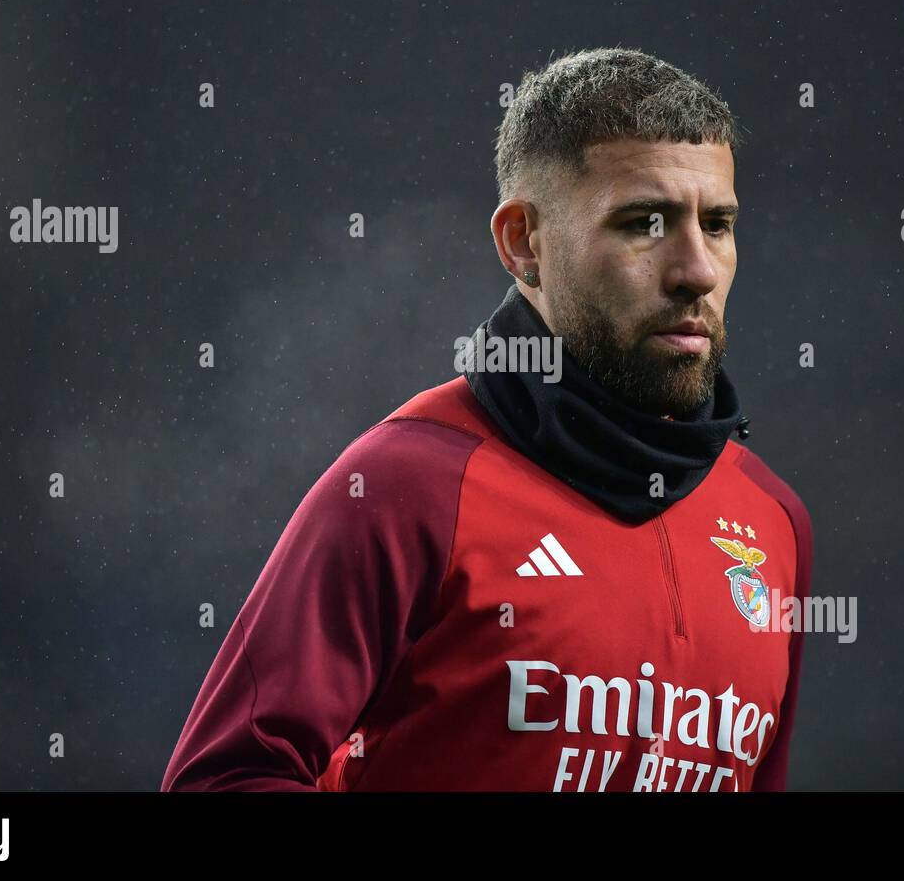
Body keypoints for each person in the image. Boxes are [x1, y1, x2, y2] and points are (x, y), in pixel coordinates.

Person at [161, 46, 814, 792]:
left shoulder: (773, 522)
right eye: (644, 222)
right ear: (523, 243)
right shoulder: (407, 486)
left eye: (718, 224)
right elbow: (223, 780)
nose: (696, 269)